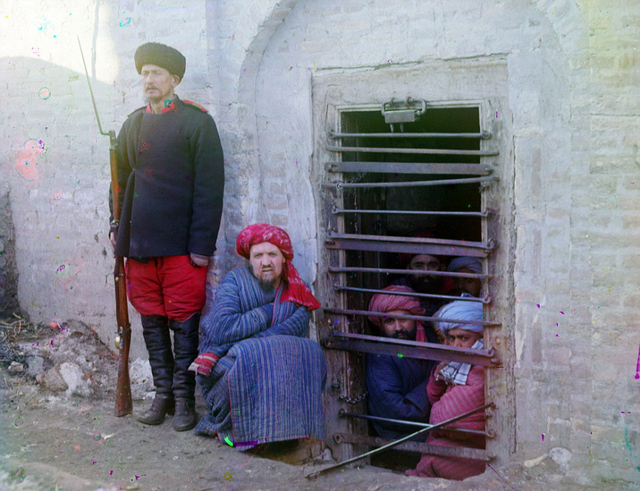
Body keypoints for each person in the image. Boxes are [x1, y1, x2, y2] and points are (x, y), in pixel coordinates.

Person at [109, 42, 225, 431]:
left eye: (157, 73)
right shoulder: (132, 125)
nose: (149, 80)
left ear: (174, 80)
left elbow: (210, 191)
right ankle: (162, 395)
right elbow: (120, 184)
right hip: (140, 246)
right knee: (152, 321)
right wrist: (118, 231)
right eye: (144, 74)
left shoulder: (197, 123)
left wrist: (201, 247)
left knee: (183, 322)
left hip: (181, 247)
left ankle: (184, 400)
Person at [189, 224, 326, 449]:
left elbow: (296, 328)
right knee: (252, 356)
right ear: (249, 259)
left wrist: (253, 344)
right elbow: (221, 327)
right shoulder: (234, 282)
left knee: (308, 351)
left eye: (273, 254)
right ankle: (248, 434)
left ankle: (285, 432)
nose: (265, 262)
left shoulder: (296, 291)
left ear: (284, 259)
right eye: (258, 256)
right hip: (228, 362)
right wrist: (267, 313)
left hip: (273, 364)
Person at [406, 301, 486, 480]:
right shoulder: (459, 365)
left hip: (479, 452)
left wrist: (437, 410)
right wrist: (438, 376)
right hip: (457, 443)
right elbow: (433, 398)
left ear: (481, 338)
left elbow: (442, 418)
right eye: (451, 338)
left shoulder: (480, 371)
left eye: (464, 338)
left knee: (434, 458)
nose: (455, 345)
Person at [365, 286, 437, 440]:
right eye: (390, 321)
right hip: (402, 435)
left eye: (404, 319)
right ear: (380, 325)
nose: (398, 328)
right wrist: (435, 379)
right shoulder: (380, 357)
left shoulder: (430, 339)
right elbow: (397, 413)